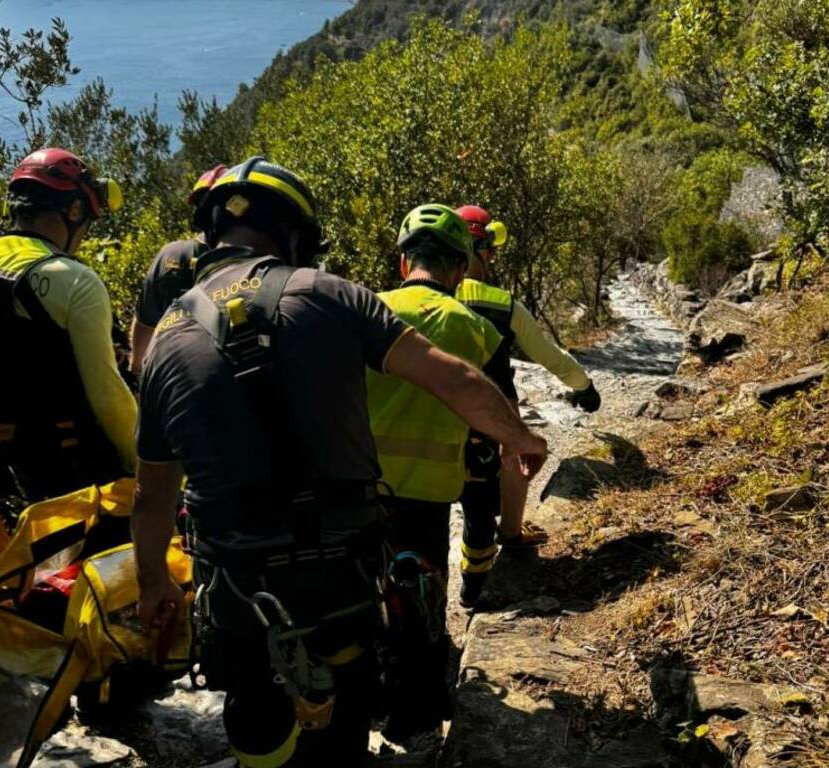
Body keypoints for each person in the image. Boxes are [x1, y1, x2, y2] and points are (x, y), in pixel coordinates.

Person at [131, 162, 546, 768]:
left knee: (253, 711)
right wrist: (519, 437)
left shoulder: (166, 336)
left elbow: (153, 497)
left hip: (236, 579)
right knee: (345, 707)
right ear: (294, 234)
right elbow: (451, 377)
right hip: (339, 568)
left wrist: (153, 584)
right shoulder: (329, 295)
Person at [365, 203, 517, 740]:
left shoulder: (363, 312)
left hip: (359, 491)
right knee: (423, 604)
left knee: (367, 600)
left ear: (405, 264)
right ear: (459, 268)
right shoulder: (474, 328)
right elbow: (501, 417)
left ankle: (371, 701)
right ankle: (418, 716)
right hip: (428, 494)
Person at [453, 204, 601, 607]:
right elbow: (548, 356)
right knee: (516, 454)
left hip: (432, 414)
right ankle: (512, 532)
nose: (494, 259)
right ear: (481, 250)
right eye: (492, 251)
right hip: (495, 411)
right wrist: (583, 387)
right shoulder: (502, 304)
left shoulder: (420, 296)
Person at [0, 148, 133, 503]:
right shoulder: (73, 280)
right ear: (74, 211)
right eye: (87, 222)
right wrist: (149, 467)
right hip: (74, 479)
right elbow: (108, 397)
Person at [128, 164, 228, 375]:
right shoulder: (260, 254)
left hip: (177, 379)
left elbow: (145, 327)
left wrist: (138, 373)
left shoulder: (172, 255)